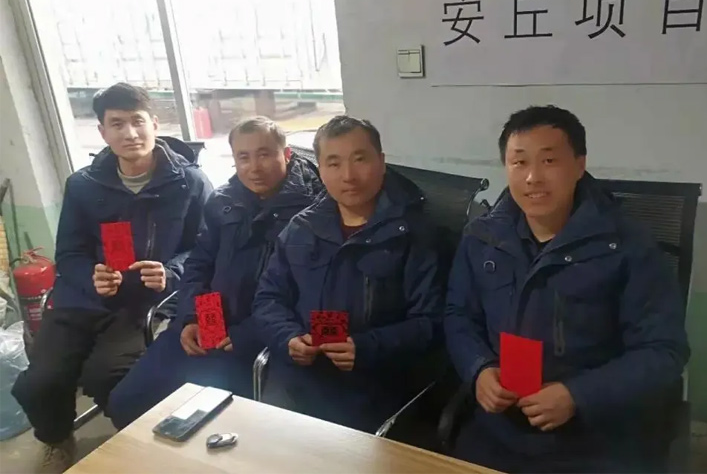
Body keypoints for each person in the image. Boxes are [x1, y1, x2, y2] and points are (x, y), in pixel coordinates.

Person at [444, 105, 690, 473]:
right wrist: (479, 369)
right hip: (498, 431)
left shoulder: (627, 245)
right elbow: (458, 315)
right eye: (519, 162)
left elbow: (664, 351)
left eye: (549, 161)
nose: (532, 177)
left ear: (579, 165)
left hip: (593, 439)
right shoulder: (483, 237)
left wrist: (577, 395)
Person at [12, 83, 213, 472]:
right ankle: (56, 438)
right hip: (82, 299)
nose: (130, 133)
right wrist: (91, 276)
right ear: (103, 132)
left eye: (138, 121)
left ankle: (134, 441)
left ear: (155, 124)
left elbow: (205, 249)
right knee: (39, 382)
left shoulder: (190, 183)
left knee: (109, 376)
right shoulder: (83, 185)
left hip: (140, 304)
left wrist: (171, 271)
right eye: (117, 124)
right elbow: (69, 253)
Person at [106, 117, 322, 429]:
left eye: (264, 155)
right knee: (126, 403)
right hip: (205, 326)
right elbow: (199, 264)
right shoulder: (222, 201)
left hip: (257, 340)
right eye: (243, 157)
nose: (254, 167)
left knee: (207, 425)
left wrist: (248, 335)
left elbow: (310, 292)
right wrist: (191, 317)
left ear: (286, 155)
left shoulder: (314, 211)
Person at [252, 115, 444, 433]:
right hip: (299, 379)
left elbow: (432, 322)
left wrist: (367, 347)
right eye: (334, 163)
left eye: (360, 159)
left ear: (381, 162)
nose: (349, 176)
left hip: (373, 384)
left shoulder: (415, 235)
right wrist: (288, 338)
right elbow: (268, 299)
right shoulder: (301, 229)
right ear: (320, 169)